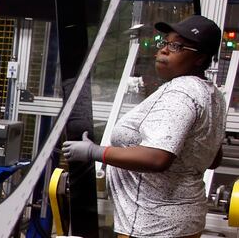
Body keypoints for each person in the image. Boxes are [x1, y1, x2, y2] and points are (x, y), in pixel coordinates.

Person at [63, 15, 227, 238]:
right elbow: (213, 158)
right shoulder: (213, 95)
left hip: (153, 225)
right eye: (165, 42)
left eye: (177, 46)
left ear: (200, 58)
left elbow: (157, 158)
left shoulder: (181, 93)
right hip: (185, 220)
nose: (164, 50)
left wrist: (94, 152)